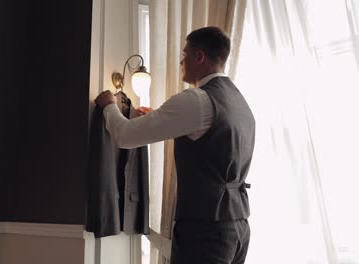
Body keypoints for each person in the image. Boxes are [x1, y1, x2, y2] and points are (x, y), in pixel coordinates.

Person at [95, 26, 255, 264]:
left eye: (184, 55)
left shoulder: (196, 100)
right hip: (239, 227)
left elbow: (125, 136)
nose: (181, 62)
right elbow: (212, 145)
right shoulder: (240, 102)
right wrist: (159, 118)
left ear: (199, 57)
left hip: (206, 231)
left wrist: (108, 104)